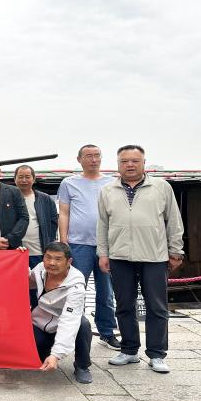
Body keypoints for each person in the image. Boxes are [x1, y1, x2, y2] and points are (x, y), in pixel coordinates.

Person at [97, 145, 184, 373]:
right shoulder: (108, 190)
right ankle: (129, 350)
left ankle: (157, 354)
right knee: (124, 305)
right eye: (124, 161)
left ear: (144, 163)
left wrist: (176, 250)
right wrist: (103, 253)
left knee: (157, 306)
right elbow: (103, 225)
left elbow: (174, 221)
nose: (130, 165)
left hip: (154, 255)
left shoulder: (161, 187)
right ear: (118, 164)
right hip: (119, 256)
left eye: (135, 160)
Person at [58, 144, 120, 350]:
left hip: (107, 245)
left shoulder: (112, 182)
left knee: (106, 291)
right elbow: (64, 212)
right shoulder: (69, 183)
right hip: (78, 244)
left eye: (96, 155)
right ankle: (75, 330)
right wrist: (64, 239)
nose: (93, 159)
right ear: (79, 159)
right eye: (88, 156)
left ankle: (107, 332)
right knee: (76, 289)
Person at [29, 242, 93, 384]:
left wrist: (56, 354)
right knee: (38, 357)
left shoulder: (76, 285)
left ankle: (82, 366)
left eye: (58, 259)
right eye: (48, 257)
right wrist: (17, 258)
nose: (52, 263)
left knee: (83, 324)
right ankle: (47, 351)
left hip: (62, 322)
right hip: (40, 322)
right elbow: (25, 281)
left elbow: (69, 320)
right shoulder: (40, 269)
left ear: (68, 261)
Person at [14, 165, 58, 268]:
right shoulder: (8, 198)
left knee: (39, 278)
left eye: (27, 177)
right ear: (15, 179)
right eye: (20, 177)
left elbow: (53, 222)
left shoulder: (45, 199)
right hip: (16, 252)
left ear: (33, 179)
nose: (24, 180)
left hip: (39, 252)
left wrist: (48, 243)